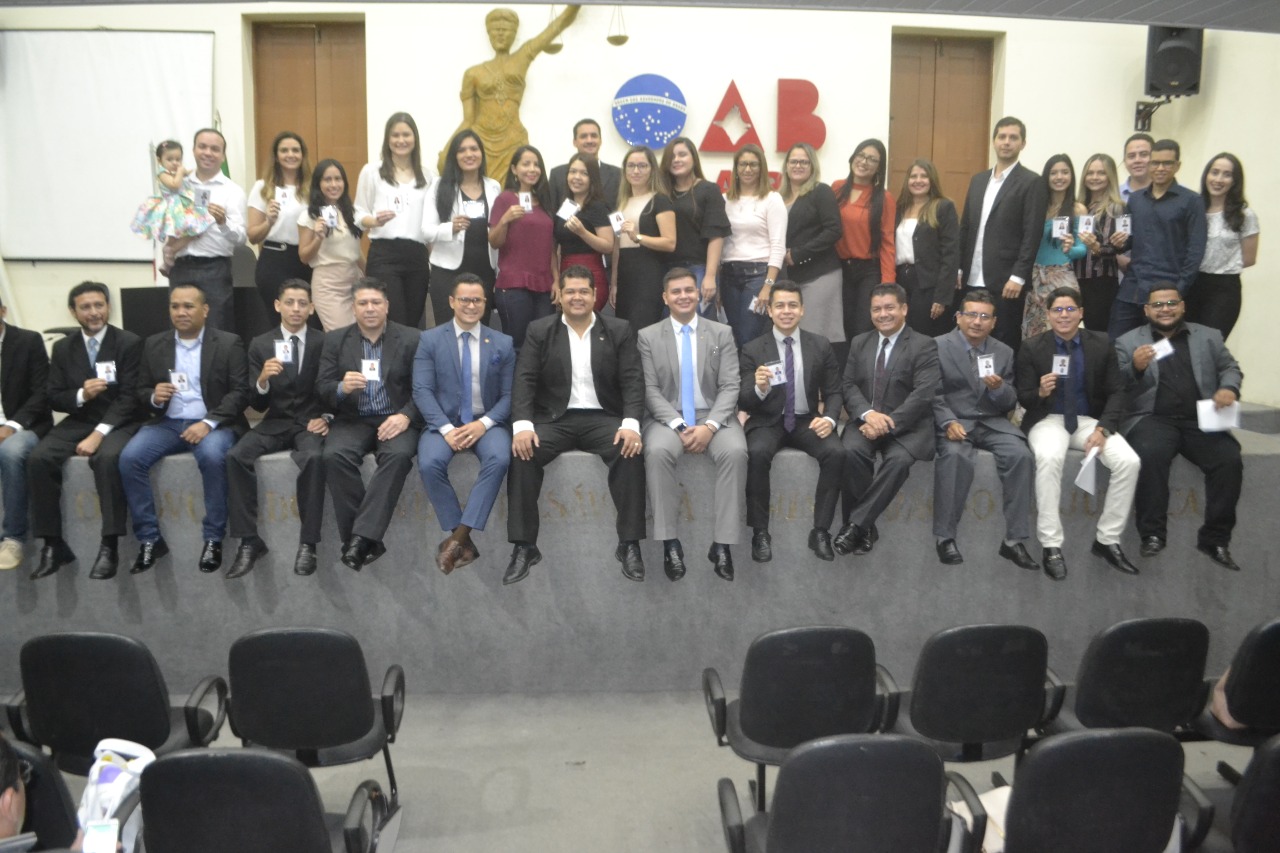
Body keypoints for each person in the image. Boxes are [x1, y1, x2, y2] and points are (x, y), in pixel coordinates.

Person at [504, 266, 646, 585]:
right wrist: (523, 425)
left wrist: (631, 424)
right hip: (556, 418)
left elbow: (633, 381)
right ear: (560, 296)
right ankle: (524, 546)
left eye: (583, 291)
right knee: (522, 454)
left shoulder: (619, 329)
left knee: (630, 451)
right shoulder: (540, 330)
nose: (577, 297)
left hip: (603, 417)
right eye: (570, 291)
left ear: (595, 295)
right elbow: (524, 379)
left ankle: (630, 544)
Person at [119, 283, 250, 575]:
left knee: (213, 457)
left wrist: (208, 423)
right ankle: (150, 539)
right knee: (130, 459)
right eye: (175, 306)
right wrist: (154, 396)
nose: (181, 312)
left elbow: (240, 392)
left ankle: (213, 538)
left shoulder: (228, 343)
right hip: (167, 423)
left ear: (205, 310)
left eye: (188, 306)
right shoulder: (154, 344)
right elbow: (140, 389)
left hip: (214, 422)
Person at [1116, 285, 1244, 571]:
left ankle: (1215, 538)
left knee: (1229, 459)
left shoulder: (1208, 336)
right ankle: (1152, 534)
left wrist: (1229, 388)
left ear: (1182, 306)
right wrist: (1134, 368)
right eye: (1158, 305)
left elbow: (1230, 368)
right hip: (1152, 418)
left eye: (1171, 303)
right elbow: (1117, 387)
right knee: (1150, 455)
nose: (1165, 309)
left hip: (1199, 419)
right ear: (1146, 310)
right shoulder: (1128, 342)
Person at [1015, 287, 1140, 580]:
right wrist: (1040, 392)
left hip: (1088, 421)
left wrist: (1103, 428)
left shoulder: (1102, 343)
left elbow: (1117, 391)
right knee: (1049, 458)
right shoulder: (1032, 347)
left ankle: (1107, 539)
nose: (1064, 315)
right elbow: (1023, 397)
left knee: (1129, 461)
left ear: (1081, 313)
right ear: (1048, 315)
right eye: (1057, 310)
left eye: (1070, 309)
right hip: (1048, 419)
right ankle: (1051, 545)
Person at [27, 283, 142, 581]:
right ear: (73, 311)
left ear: (108, 307)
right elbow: (54, 396)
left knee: (105, 459)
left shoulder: (128, 342)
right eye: (86, 307)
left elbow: (130, 397)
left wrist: (99, 434)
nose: (94, 313)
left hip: (120, 421)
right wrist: (81, 395)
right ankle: (53, 544)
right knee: (39, 458)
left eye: (99, 305)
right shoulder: (63, 348)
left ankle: (109, 544)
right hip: (80, 418)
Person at [638, 268, 746, 581]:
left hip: (714, 414)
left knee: (736, 452)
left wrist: (710, 426)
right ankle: (670, 542)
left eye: (689, 290)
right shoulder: (648, 336)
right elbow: (649, 390)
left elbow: (731, 385)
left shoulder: (721, 333)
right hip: (667, 416)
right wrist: (676, 423)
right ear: (665, 298)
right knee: (657, 452)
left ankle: (723, 544)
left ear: (698, 294)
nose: (683, 296)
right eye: (676, 291)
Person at [317, 279, 424, 570]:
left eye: (376, 302)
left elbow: (424, 388)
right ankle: (366, 540)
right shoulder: (335, 340)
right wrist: (341, 388)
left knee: (398, 456)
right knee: (333, 455)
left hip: (396, 418)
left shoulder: (412, 338)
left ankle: (358, 540)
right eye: (363, 303)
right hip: (353, 419)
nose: (370, 308)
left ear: (387, 306)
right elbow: (322, 387)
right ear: (353, 308)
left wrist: (405, 416)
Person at [225, 280, 328, 579]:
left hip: (310, 422)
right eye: (290, 302)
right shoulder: (260, 344)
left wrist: (328, 417)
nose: (296, 309)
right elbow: (257, 405)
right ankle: (249, 541)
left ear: (311, 308)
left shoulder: (325, 342)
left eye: (302, 303)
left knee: (314, 459)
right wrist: (262, 381)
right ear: (277, 305)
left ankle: (308, 543)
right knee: (236, 456)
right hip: (275, 420)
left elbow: (331, 389)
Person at [412, 273, 515, 575]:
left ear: (485, 302)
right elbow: (421, 390)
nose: (471, 305)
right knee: (429, 463)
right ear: (451, 301)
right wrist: (446, 429)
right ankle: (462, 539)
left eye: (477, 300)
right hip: (443, 423)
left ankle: (459, 538)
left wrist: (484, 424)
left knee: (499, 458)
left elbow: (511, 395)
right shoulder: (430, 340)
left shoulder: (503, 342)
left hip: (487, 422)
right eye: (464, 300)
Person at [738, 281, 845, 562]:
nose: (786, 311)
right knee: (757, 453)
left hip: (805, 420)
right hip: (767, 421)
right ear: (770, 311)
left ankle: (820, 531)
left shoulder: (820, 345)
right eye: (780, 306)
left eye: (792, 305)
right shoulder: (752, 349)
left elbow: (834, 391)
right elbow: (744, 401)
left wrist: (830, 418)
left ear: (802, 310)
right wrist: (759, 388)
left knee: (836, 452)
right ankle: (760, 532)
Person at [930, 290, 1037, 569]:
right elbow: (931, 394)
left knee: (1020, 455)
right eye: (971, 314)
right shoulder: (937, 346)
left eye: (984, 316)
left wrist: (998, 388)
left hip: (991, 422)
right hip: (955, 421)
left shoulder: (1004, 351)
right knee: (955, 457)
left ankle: (1013, 540)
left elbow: (1010, 401)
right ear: (958, 317)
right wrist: (947, 422)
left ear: (993, 322)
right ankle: (945, 537)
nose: (977, 321)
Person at [835, 283, 941, 556]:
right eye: (877, 309)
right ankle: (866, 529)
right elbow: (848, 385)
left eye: (889, 307)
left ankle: (855, 525)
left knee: (899, 461)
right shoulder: (860, 342)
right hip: (865, 421)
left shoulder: (924, 344)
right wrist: (868, 414)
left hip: (908, 426)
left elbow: (923, 394)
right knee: (850, 452)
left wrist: (886, 424)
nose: (883, 314)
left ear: (904, 309)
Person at [442, 5, 581, 183]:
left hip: (513, 140)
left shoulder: (522, 57)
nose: (500, 34)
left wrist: (575, 6)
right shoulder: (472, 73)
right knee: (480, 189)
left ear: (514, 34)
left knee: (516, 189)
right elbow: (468, 120)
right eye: (495, 30)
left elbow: (558, 25)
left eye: (506, 30)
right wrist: (449, 149)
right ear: (488, 34)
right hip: (481, 141)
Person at [959, 117, 1046, 351]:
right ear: (994, 141)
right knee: (969, 338)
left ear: (1023, 144)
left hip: (1006, 281)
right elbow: (965, 227)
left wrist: (1018, 276)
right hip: (971, 277)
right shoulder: (978, 180)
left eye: (1013, 138)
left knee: (1003, 340)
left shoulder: (1032, 182)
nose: (1006, 142)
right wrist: (958, 267)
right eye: (1002, 137)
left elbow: (1032, 234)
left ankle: (1003, 377)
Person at [1111, 139, 1206, 339]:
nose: (1160, 168)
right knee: (1117, 345)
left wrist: (1179, 291)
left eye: (1167, 163)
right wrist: (1119, 243)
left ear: (1177, 166)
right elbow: (1128, 241)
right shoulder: (1136, 199)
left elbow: (1195, 251)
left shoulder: (1191, 201)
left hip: (1167, 292)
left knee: (1162, 350)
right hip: (1133, 288)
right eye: (1155, 163)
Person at [355, 113, 432, 328]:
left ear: (415, 138)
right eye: (395, 135)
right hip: (384, 255)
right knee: (393, 321)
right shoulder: (372, 171)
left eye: (406, 135)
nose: (401, 140)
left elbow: (430, 223)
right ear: (387, 139)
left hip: (417, 256)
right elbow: (357, 213)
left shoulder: (428, 176)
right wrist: (374, 221)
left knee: (412, 323)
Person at [167, 128, 247, 332]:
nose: (208, 153)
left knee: (217, 329)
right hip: (181, 266)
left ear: (223, 155)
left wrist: (223, 222)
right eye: (202, 147)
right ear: (193, 150)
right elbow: (165, 222)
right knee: (181, 330)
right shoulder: (179, 185)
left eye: (215, 149)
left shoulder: (233, 191)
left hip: (215, 269)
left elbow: (240, 238)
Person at [424, 130, 501, 328]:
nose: (469, 154)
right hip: (448, 272)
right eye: (462, 150)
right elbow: (426, 231)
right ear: (454, 156)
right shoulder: (439, 186)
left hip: (484, 271)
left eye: (474, 149)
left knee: (480, 331)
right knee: (447, 332)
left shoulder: (493, 187)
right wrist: (451, 228)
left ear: (481, 153)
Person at [488, 145, 556, 351]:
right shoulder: (505, 199)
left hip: (544, 287)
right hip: (514, 285)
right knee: (517, 346)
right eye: (526, 164)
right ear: (514, 169)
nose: (532, 169)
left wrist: (556, 280)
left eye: (536, 164)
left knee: (543, 346)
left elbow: (551, 246)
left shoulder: (545, 202)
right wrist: (505, 219)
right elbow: (494, 242)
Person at [0, 299, 51, 573]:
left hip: (26, 424)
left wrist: (12, 425)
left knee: (10, 451)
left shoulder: (28, 341)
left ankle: (13, 539)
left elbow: (42, 392)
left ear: (3, 311)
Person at [721, 144, 787, 348]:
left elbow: (778, 246)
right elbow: (719, 242)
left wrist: (768, 286)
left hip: (758, 277)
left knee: (748, 336)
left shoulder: (772, 199)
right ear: (736, 168)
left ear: (761, 168)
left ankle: (752, 371)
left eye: (753, 164)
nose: (747, 169)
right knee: (733, 335)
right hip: (729, 276)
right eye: (743, 164)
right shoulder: (724, 200)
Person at [1188, 152, 1259, 339]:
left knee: (1210, 344)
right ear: (1206, 175)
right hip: (1192, 283)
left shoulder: (1245, 215)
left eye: (1227, 175)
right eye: (1215, 172)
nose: (1218, 179)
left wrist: (1220, 263)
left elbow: (1249, 259)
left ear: (1235, 181)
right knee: (1184, 343)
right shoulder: (1194, 209)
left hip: (1224, 289)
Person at [779, 142, 844, 345]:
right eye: (793, 161)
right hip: (789, 277)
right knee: (792, 336)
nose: (798, 166)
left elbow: (834, 230)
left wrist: (798, 254)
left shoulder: (820, 191)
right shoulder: (777, 197)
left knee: (816, 336)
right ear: (786, 166)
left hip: (820, 274)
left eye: (804, 162)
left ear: (812, 166)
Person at [833, 139, 896, 341]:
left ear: (879, 167)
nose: (864, 162)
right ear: (853, 157)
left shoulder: (884, 198)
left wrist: (888, 284)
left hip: (868, 271)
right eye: (861, 155)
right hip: (839, 269)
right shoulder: (836, 188)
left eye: (872, 159)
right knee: (841, 326)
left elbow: (887, 242)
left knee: (863, 327)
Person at [247, 131, 312, 324]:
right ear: (276, 156)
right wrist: (268, 222)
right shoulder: (263, 188)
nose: (290, 155)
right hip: (275, 261)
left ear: (303, 155)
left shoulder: (312, 189)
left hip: (307, 261)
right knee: (279, 321)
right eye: (284, 150)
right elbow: (253, 236)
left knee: (308, 322)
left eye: (295, 150)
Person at [660, 137, 729, 312]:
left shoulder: (709, 190)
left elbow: (716, 236)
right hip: (665, 269)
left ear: (693, 158)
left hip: (698, 268)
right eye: (672, 156)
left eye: (682, 154)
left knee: (698, 322)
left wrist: (710, 276)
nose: (676, 160)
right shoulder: (661, 193)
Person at [612, 146, 676, 329]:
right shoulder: (622, 203)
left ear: (652, 169)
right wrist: (614, 283)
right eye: (631, 166)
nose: (636, 171)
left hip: (648, 275)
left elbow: (670, 242)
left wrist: (638, 237)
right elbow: (617, 247)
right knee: (624, 331)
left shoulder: (660, 200)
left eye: (642, 166)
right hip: (625, 276)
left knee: (643, 330)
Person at [1024, 154, 1087, 339]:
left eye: (1064, 172)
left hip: (1062, 277)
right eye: (1054, 173)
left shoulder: (1078, 209)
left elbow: (1082, 249)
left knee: (1063, 331)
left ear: (1071, 176)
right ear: (1046, 176)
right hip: (1034, 277)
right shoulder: (1037, 207)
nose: (1059, 177)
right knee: (1034, 334)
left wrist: (1070, 249)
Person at [894, 159, 959, 338]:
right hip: (900, 280)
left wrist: (942, 297)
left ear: (932, 180)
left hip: (928, 284)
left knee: (921, 334)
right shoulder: (899, 208)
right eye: (913, 176)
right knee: (900, 332)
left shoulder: (943, 207)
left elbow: (951, 254)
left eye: (924, 176)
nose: (918, 180)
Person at [298, 158, 364, 331]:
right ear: (318, 184)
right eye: (327, 180)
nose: (334, 184)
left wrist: (369, 276)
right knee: (341, 334)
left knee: (361, 332)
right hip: (328, 285)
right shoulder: (310, 215)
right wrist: (318, 237)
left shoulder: (353, 212)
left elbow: (356, 252)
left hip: (355, 280)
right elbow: (304, 256)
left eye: (338, 179)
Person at [130, 139, 214, 276]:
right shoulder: (162, 173)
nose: (175, 163)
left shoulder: (177, 172)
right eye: (170, 159)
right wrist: (181, 172)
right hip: (173, 208)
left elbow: (188, 175)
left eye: (178, 159)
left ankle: (169, 255)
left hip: (183, 206)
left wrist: (193, 172)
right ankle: (170, 253)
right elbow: (174, 185)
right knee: (181, 233)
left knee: (196, 230)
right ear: (159, 160)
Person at [554, 153, 615, 312]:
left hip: (591, 274)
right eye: (573, 172)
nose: (577, 177)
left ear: (592, 178)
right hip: (565, 273)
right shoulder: (566, 205)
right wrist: (556, 278)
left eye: (584, 173)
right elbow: (557, 245)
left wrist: (583, 232)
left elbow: (608, 246)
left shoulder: (598, 206)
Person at [1074, 153, 1127, 333]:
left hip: (1101, 281)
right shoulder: (1077, 206)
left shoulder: (1117, 207)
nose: (1094, 177)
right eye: (1090, 173)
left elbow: (1121, 246)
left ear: (1110, 176)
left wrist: (1097, 248)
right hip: (1074, 278)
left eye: (1101, 173)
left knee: (1098, 332)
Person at [549, 118, 622, 213]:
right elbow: (552, 212)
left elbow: (620, 210)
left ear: (600, 141)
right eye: (583, 136)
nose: (589, 140)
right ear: (574, 142)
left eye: (594, 136)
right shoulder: (557, 174)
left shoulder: (618, 174)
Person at [1119, 132, 1154, 202]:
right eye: (1131, 156)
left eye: (1144, 155)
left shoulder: (1168, 195)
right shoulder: (1114, 196)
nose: (1137, 160)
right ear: (1124, 161)